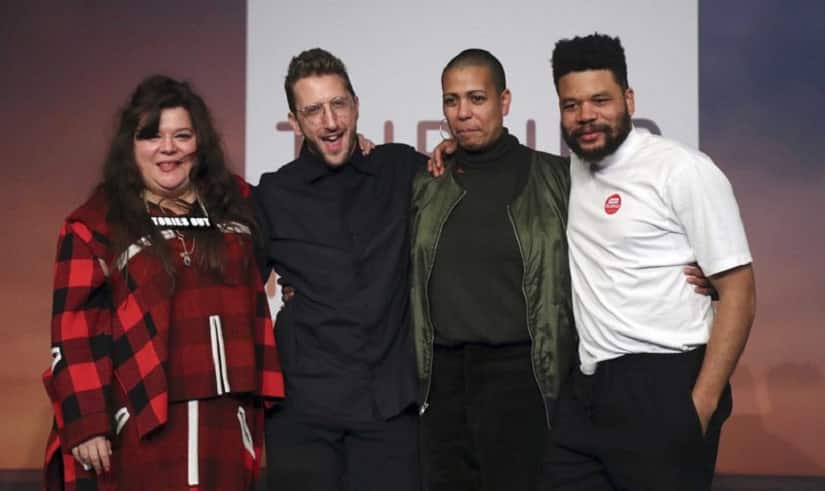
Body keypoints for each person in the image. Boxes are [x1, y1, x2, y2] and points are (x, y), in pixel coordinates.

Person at [42, 75, 284, 491]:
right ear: (131, 146)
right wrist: (86, 422)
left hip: (226, 415)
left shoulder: (236, 204)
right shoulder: (97, 223)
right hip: (140, 418)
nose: (167, 148)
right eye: (152, 136)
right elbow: (73, 327)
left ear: (199, 144)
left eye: (182, 135)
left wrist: (361, 151)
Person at [543, 33, 756, 490]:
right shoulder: (574, 169)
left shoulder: (682, 169)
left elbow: (739, 288)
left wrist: (700, 405)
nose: (585, 117)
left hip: (664, 384)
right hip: (587, 387)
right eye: (571, 105)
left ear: (629, 98)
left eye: (600, 100)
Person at [255, 48, 425, 491]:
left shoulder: (399, 167)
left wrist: (446, 147)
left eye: (339, 105)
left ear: (356, 105)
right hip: (304, 414)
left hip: (388, 410)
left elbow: (467, 174)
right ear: (294, 122)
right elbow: (233, 289)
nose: (330, 122)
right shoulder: (273, 194)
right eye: (313, 111)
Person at [410, 49, 574, 491]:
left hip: (523, 377)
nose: (462, 113)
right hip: (441, 381)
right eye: (451, 100)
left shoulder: (558, 179)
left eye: (477, 98)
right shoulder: (426, 183)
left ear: (505, 101)